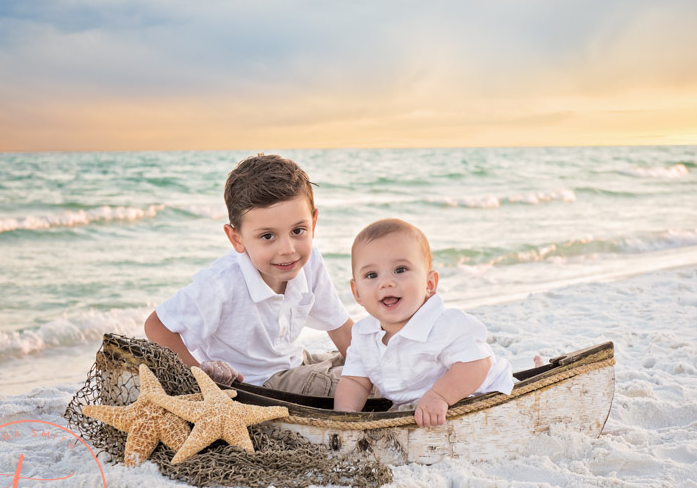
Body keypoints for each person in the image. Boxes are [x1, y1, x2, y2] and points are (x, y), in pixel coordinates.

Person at [144, 153, 354, 396]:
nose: (288, 249)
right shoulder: (222, 283)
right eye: (267, 236)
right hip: (260, 385)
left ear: (313, 223)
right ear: (237, 238)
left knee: (381, 360)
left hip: (294, 362)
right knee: (363, 385)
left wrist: (377, 364)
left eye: (298, 230)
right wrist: (199, 375)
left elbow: (340, 328)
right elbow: (157, 325)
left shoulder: (309, 261)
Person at [333, 218, 515, 427]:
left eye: (400, 270)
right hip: (422, 409)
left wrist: (440, 395)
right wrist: (345, 417)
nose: (386, 282)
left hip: (480, 394)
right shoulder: (363, 333)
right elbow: (355, 381)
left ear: (429, 284)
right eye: (371, 275)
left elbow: (477, 365)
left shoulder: (446, 324)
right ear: (357, 292)